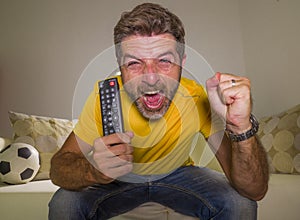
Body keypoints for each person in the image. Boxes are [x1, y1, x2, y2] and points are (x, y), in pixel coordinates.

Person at [49, 3, 269, 220]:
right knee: (64, 203)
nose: (151, 79)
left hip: (179, 174)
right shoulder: (104, 97)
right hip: (122, 179)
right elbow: (59, 167)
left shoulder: (197, 97)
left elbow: (254, 191)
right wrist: (93, 172)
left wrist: (241, 127)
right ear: (120, 65)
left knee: (239, 204)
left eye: (164, 61)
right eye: (134, 63)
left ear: (182, 62)